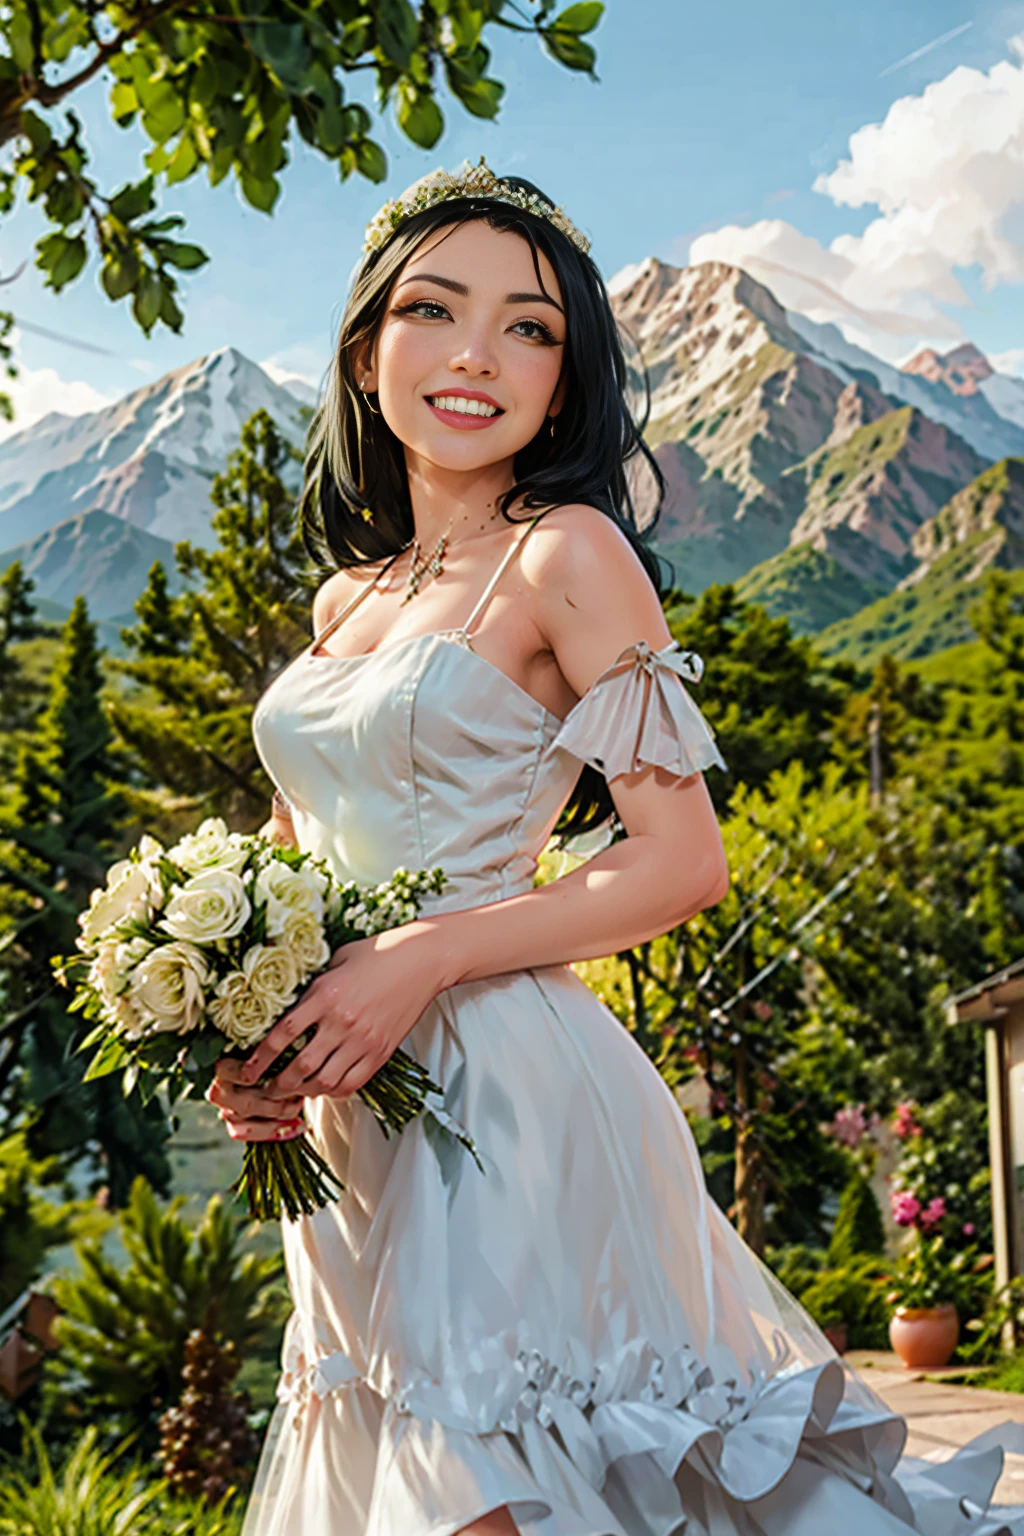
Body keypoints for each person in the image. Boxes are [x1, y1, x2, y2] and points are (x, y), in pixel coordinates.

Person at [213, 159, 1023, 1536]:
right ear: (365, 351)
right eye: (434, 310)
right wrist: (255, 1032)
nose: (477, 355)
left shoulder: (568, 553)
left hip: (506, 1100)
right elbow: (295, 864)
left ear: (565, 379)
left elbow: (679, 859)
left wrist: (425, 955)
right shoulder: (346, 598)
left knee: (491, 1489)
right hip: (356, 1126)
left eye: (530, 328)